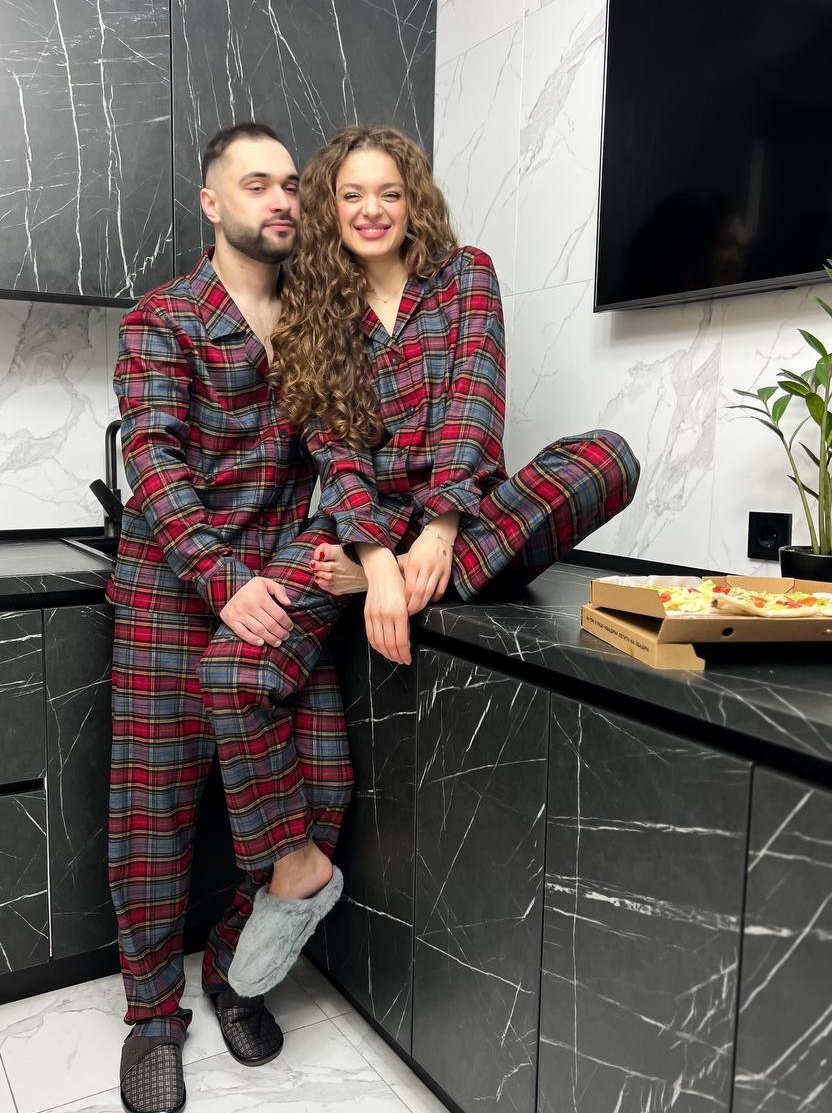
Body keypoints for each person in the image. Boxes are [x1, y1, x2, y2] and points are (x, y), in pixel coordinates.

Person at [196, 126, 638, 990]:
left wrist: (435, 533)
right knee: (233, 670)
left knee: (603, 457)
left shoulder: (465, 275)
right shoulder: (313, 308)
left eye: (389, 193)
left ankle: (426, 570)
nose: (372, 210)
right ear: (330, 208)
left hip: (467, 522)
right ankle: (296, 869)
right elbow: (334, 449)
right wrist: (374, 559)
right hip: (360, 528)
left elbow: (474, 405)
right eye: (352, 195)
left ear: (413, 202)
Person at [106, 123, 352, 1113]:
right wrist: (220, 576)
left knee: (320, 790)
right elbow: (151, 460)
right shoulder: (161, 318)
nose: (281, 198)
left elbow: (342, 455)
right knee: (154, 817)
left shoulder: (319, 323)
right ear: (212, 203)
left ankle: (238, 971)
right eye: (257, 183)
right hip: (173, 594)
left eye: (291, 183)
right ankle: (151, 1015)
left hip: (281, 593)